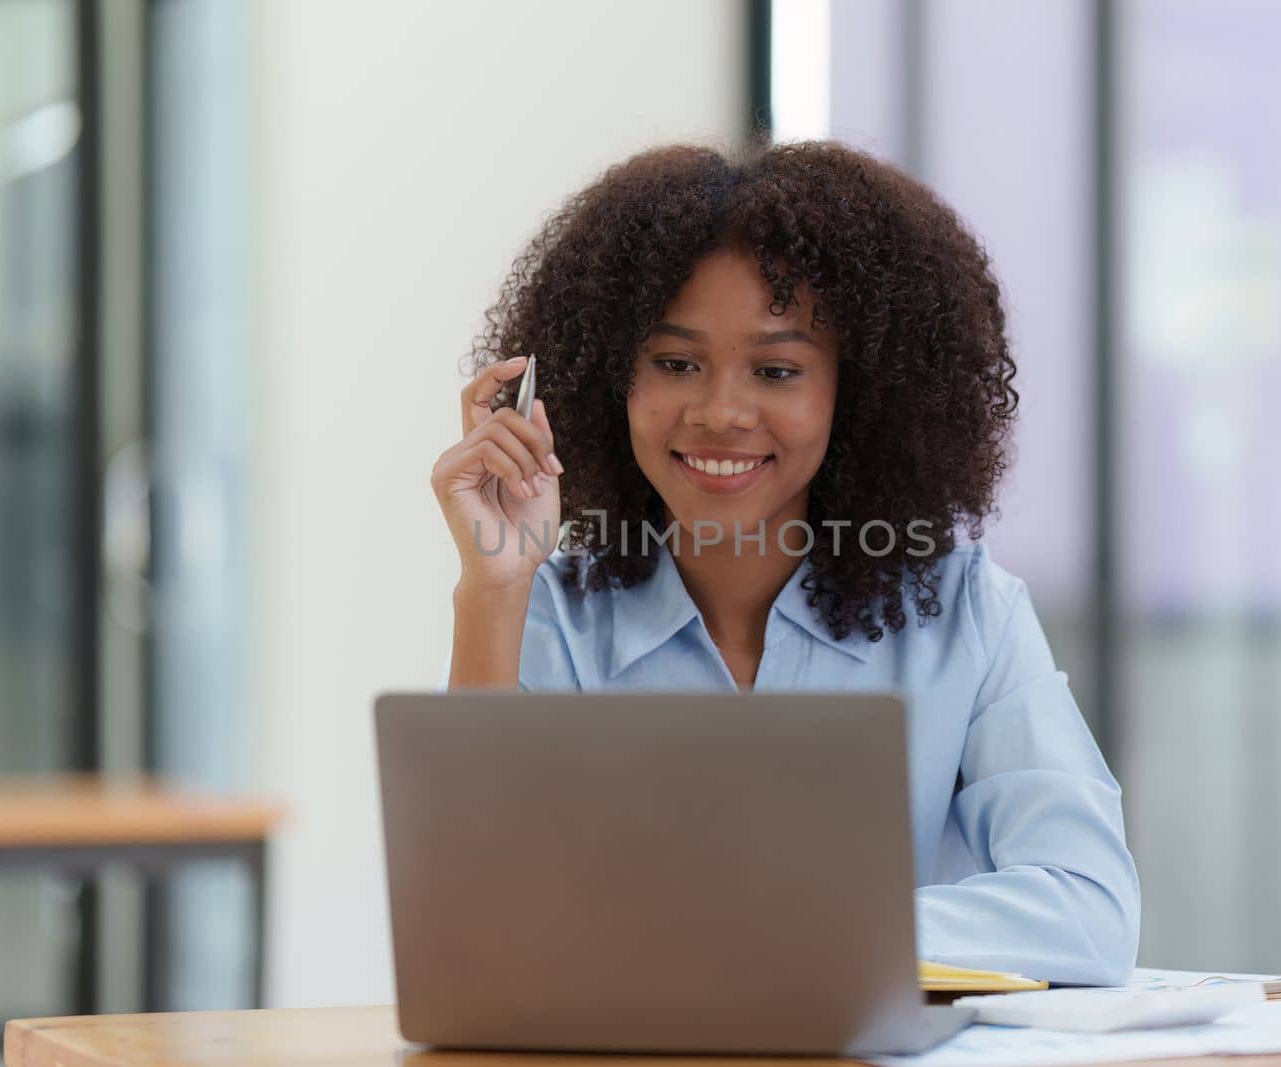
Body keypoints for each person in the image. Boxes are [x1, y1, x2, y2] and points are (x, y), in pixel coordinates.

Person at [429, 139, 1140, 986]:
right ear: (610, 378)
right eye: (674, 363)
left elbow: (1088, 909)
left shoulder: (966, 612)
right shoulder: (554, 617)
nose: (720, 411)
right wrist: (493, 588)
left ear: (858, 389)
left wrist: (774, 925)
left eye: (776, 369)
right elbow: (469, 927)